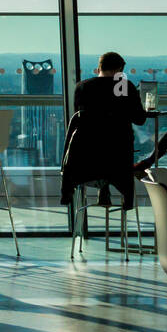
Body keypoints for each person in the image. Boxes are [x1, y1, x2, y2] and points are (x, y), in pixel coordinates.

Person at [62, 51, 147, 212]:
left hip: (86, 160)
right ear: (119, 69)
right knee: (112, 144)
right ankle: (106, 186)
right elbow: (139, 119)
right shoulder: (122, 86)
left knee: (101, 147)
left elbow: (79, 118)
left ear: (99, 68)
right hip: (117, 159)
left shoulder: (82, 87)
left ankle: (103, 187)